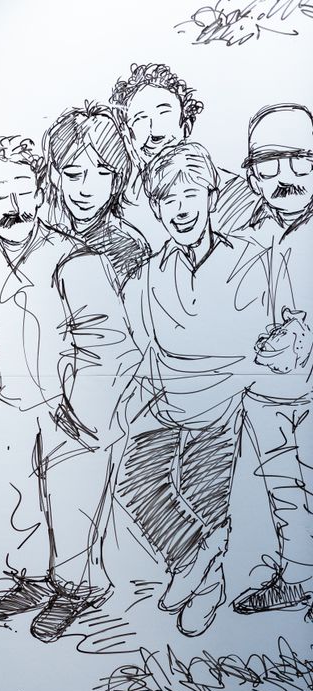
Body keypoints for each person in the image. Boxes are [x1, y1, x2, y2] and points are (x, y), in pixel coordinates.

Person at [0, 136, 140, 641]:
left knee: (72, 500)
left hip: (73, 410)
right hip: (11, 410)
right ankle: (37, 580)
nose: (13, 205)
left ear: (40, 194)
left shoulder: (74, 258)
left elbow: (105, 339)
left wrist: (83, 412)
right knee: (28, 504)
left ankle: (79, 588)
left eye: (23, 190)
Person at [120, 142, 270, 636]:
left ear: (211, 196)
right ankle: (193, 559)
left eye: (190, 195)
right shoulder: (147, 276)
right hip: (169, 402)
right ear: (156, 208)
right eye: (168, 200)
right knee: (134, 481)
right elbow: (143, 350)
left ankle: (206, 586)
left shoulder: (248, 259)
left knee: (204, 489)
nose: (181, 209)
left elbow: (259, 343)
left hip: (228, 404)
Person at [232, 103, 313, 616]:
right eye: (267, 163)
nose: (285, 176)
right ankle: (297, 578)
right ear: (251, 174)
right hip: (265, 394)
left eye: (300, 159)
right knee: (283, 488)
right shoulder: (249, 234)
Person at [109, 62, 256, 248]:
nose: (155, 132)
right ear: (127, 136)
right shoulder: (120, 206)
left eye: (164, 113)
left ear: (186, 126)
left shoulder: (236, 196)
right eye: (140, 118)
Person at [42, 102, 150, 289]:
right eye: (73, 174)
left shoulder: (129, 248)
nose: (85, 190)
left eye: (101, 175)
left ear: (116, 181)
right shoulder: (47, 238)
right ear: (55, 176)